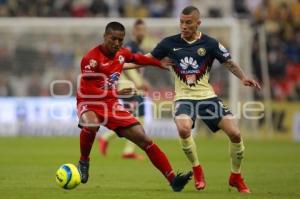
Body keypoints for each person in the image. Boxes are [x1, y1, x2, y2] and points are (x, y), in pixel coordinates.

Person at [140, 6, 261, 193]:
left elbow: (228, 62)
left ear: (198, 23)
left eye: (188, 22)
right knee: (183, 128)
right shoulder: (168, 43)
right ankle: (197, 169)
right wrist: (119, 65)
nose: (184, 26)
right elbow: (143, 59)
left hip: (208, 98)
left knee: (235, 134)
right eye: (181, 22)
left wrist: (244, 77)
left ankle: (235, 176)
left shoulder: (210, 43)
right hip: (184, 98)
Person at [76, 21, 192, 192]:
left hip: (111, 104)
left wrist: (158, 63)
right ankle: (84, 161)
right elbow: (93, 90)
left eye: (120, 40)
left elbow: (137, 58)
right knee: (91, 125)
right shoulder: (90, 60)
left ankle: (173, 179)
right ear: (105, 37)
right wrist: (117, 92)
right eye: (113, 39)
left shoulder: (121, 53)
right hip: (89, 101)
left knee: (144, 139)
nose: (116, 43)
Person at [98, 19, 151, 160]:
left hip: (134, 87)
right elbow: (123, 64)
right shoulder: (129, 46)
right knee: (132, 121)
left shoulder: (139, 48)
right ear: (134, 31)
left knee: (137, 119)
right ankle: (106, 138)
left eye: (143, 29)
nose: (142, 32)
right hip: (128, 87)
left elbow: (137, 69)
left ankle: (126, 149)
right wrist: (137, 82)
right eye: (139, 29)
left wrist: (142, 81)